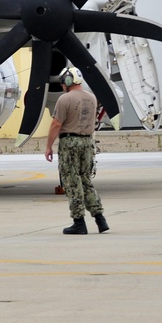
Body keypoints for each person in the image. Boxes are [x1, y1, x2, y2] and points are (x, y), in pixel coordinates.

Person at [44, 68, 109, 235]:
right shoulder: (92, 97)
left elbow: (56, 124)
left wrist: (48, 146)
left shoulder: (65, 99)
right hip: (88, 142)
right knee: (86, 180)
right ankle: (100, 219)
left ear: (67, 82)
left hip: (70, 142)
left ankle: (79, 222)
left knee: (72, 182)